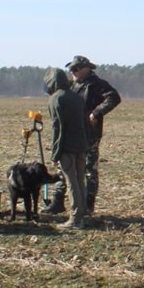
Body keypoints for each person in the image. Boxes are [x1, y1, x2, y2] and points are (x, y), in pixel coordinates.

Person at [43, 55, 121, 215]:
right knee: (64, 167)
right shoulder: (70, 85)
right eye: (71, 69)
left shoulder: (97, 84)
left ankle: (87, 205)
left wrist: (96, 113)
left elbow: (114, 97)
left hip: (90, 133)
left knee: (89, 171)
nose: (73, 72)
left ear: (87, 69)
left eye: (76, 68)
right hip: (71, 133)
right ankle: (58, 201)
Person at [44, 67, 90, 229]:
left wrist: (55, 154)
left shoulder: (56, 99)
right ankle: (82, 214)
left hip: (67, 148)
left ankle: (75, 219)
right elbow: (85, 123)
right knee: (80, 180)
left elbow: (57, 128)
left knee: (71, 182)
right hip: (81, 146)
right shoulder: (77, 97)